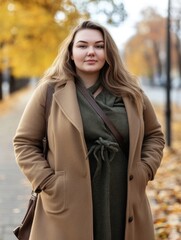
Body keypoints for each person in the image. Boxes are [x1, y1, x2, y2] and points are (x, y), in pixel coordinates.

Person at [13, 20, 165, 240]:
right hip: (66, 201)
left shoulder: (132, 93)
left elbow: (154, 135)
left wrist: (145, 170)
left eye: (99, 46)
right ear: (71, 53)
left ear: (108, 52)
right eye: (82, 46)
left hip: (123, 197)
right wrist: (48, 182)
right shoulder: (49, 91)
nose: (91, 52)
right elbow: (24, 142)